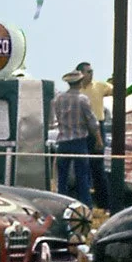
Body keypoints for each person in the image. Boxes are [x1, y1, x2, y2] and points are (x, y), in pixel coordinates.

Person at [53, 69, 100, 206]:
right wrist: (98, 139)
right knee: (82, 176)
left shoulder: (59, 99)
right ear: (80, 83)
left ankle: (61, 205)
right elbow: (92, 121)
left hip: (63, 140)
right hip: (79, 141)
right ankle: (85, 206)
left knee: (62, 177)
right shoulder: (83, 99)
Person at [76, 61, 112, 206]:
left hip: (97, 127)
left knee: (98, 167)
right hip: (81, 128)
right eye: (88, 72)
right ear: (80, 74)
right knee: (82, 166)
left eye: (92, 71)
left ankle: (103, 203)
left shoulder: (100, 86)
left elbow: (122, 92)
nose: (91, 74)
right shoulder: (75, 90)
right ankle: (84, 202)